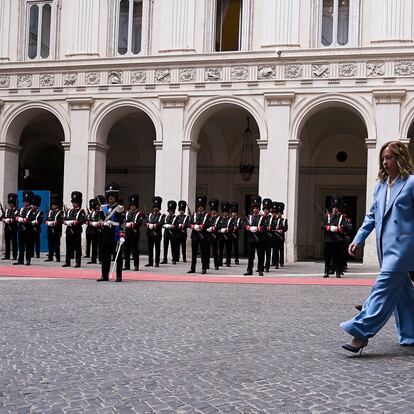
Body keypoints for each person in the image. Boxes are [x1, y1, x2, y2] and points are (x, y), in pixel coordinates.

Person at [341, 140, 414, 353]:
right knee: (403, 294)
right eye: (383, 157)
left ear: (400, 159)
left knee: (382, 290)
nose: (385, 161)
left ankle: (360, 333)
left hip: (403, 249)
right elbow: (372, 215)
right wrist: (359, 238)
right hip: (385, 248)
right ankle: (410, 334)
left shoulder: (410, 183)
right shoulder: (380, 185)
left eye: (389, 157)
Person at [97, 183, 125, 282]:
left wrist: (122, 235)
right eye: (109, 196)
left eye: (112, 197)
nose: (110, 198)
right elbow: (100, 218)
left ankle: (118, 276)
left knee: (118, 256)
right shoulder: (103, 207)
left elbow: (123, 222)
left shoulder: (120, 208)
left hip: (116, 233)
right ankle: (104, 275)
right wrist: (102, 222)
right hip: (106, 233)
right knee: (105, 255)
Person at [321, 196, 344, 278]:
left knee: (337, 257)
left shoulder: (341, 217)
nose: (335, 209)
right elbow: (322, 226)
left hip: (337, 240)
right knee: (327, 257)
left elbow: (345, 226)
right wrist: (329, 227)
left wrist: (337, 228)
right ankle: (326, 272)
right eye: (334, 207)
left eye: (336, 208)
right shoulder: (327, 217)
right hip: (328, 239)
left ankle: (338, 272)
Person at [188, 196, 211, 274]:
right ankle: (192, 268)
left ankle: (204, 268)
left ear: (203, 207)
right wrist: (194, 226)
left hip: (203, 236)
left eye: (201, 207)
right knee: (194, 253)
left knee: (203, 253)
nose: (200, 208)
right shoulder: (194, 214)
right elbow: (189, 223)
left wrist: (201, 227)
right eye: (199, 207)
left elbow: (208, 224)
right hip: (194, 235)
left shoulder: (207, 215)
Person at [62, 191, 86, 268]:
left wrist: (75, 222)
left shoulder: (81, 211)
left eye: (75, 202)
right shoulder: (70, 211)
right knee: (68, 247)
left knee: (77, 247)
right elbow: (64, 219)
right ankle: (67, 261)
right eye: (73, 202)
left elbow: (82, 221)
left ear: (79, 203)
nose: (73, 204)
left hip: (76, 231)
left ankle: (78, 262)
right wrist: (67, 222)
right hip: (69, 231)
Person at [244, 196, 264, 276]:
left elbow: (265, 226)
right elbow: (244, 224)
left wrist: (257, 228)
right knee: (250, 255)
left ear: (259, 209)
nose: (255, 209)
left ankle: (260, 269)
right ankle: (249, 270)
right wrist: (249, 227)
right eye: (254, 208)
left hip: (259, 238)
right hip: (251, 238)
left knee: (260, 255)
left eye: (257, 208)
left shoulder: (262, 217)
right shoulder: (249, 217)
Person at [14, 191, 36, 266]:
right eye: (24, 202)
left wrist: (24, 220)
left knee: (28, 245)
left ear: (29, 202)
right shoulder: (21, 209)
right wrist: (17, 218)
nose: (25, 203)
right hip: (20, 229)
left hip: (28, 230)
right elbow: (16, 215)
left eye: (27, 202)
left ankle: (28, 259)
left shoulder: (32, 210)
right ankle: (20, 260)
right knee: (20, 245)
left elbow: (32, 218)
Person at [123, 193, 143, 271]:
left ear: (136, 206)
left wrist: (132, 224)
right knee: (126, 250)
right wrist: (125, 224)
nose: (132, 206)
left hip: (134, 234)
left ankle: (136, 265)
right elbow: (124, 221)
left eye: (134, 205)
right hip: (127, 234)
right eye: (131, 205)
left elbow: (139, 223)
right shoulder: (127, 213)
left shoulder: (139, 214)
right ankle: (127, 265)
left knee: (135, 250)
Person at [145, 196, 165, 267]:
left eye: (157, 207)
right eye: (154, 207)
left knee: (157, 248)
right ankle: (150, 262)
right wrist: (148, 224)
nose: (155, 208)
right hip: (150, 233)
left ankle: (157, 262)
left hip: (157, 234)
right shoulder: (150, 215)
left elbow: (161, 223)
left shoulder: (162, 215)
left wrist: (154, 226)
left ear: (159, 208)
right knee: (150, 248)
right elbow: (145, 222)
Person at [45, 196, 63, 262]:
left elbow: (60, 220)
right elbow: (47, 219)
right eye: (52, 205)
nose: (53, 206)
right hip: (50, 229)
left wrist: (53, 223)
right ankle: (50, 256)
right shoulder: (50, 212)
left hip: (56, 230)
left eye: (54, 205)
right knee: (50, 244)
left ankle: (57, 257)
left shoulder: (60, 212)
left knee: (56, 244)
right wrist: (48, 222)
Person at [1, 193, 18, 261]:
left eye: (11, 203)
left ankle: (14, 256)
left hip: (13, 228)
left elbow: (16, 218)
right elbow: (2, 217)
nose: (10, 204)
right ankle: (7, 256)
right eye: (9, 203)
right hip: (7, 228)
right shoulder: (7, 210)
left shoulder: (17, 210)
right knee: (7, 242)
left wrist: (10, 220)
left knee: (14, 243)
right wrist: (4, 219)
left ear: (14, 203)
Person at [273, 202, 288, 269]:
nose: (279, 214)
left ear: (282, 213)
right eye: (278, 212)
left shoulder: (284, 220)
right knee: (275, 250)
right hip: (275, 237)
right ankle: (276, 263)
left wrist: (282, 230)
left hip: (281, 237)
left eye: (280, 213)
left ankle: (281, 262)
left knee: (281, 250)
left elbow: (286, 227)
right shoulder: (274, 220)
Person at [217, 201, 232, 267]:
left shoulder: (230, 219)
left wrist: (226, 230)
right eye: (224, 212)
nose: (225, 213)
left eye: (226, 212)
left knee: (228, 249)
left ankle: (228, 262)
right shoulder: (220, 219)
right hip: (221, 236)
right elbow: (217, 226)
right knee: (220, 250)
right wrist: (220, 230)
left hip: (228, 236)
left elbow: (232, 227)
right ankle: (220, 261)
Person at [207, 199, 220, 270]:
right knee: (207, 251)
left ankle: (216, 264)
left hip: (215, 236)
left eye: (214, 210)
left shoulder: (218, 218)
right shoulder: (208, 217)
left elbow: (219, 225)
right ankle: (207, 264)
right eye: (212, 210)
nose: (213, 211)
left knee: (215, 251)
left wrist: (213, 228)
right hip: (208, 236)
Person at [261, 198, 273, 273]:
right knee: (261, 253)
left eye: (267, 209)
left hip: (269, 237)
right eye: (265, 209)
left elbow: (274, 226)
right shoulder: (261, 217)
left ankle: (267, 266)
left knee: (268, 253)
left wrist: (270, 227)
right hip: (262, 237)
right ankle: (261, 266)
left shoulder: (271, 218)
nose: (266, 211)